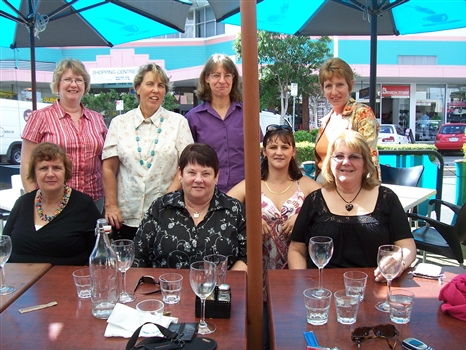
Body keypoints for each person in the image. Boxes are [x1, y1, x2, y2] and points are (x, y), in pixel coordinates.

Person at [228, 124, 319, 349]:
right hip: (258, 273)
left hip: (294, 273)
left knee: (291, 337)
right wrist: (250, 218)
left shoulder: (305, 185)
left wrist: (303, 217)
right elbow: (223, 206)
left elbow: (328, 209)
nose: (279, 152)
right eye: (273, 146)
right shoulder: (251, 184)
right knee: (261, 338)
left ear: (294, 151)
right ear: (264, 151)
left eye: (285, 147)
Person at [288, 130, 416, 282]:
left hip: (376, 287)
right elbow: (297, 250)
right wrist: (304, 282)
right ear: (330, 163)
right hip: (323, 291)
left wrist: (399, 261)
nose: (346, 162)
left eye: (354, 156)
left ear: (366, 164)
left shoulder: (387, 198)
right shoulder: (314, 200)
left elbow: (407, 245)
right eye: (339, 156)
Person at [102, 63, 193, 240]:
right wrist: (111, 205)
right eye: (150, 84)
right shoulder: (119, 123)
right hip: (125, 217)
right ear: (137, 88)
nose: (156, 90)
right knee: (126, 265)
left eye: (161, 86)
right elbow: (108, 168)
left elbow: (186, 165)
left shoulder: (178, 123)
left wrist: (166, 203)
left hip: (165, 217)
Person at [133, 143, 247, 270]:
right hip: (167, 288)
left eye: (206, 174)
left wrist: (224, 285)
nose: (198, 179)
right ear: (180, 174)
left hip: (220, 287)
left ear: (216, 176)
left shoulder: (235, 211)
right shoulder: (161, 207)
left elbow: (248, 256)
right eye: (192, 172)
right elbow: (138, 256)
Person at [21, 59, 107, 212]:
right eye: (67, 79)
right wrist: (31, 199)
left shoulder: (97, 119)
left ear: (85, 86)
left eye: (79, 80)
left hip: (93, 200)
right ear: (57, 84)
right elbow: (27, 163)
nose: (73, 85)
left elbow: (105, 160)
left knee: (92, 237)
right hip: (53, 201)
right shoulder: (40, 117)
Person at [4, 142, 101, 265]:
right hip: (21, 280)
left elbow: (100, 252)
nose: (50, 174)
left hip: (64, 281)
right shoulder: (22, 203)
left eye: (56, 168)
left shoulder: (83, 205)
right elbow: (5, 245)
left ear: (65, 172)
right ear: (34, 173)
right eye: (43, 168)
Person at [186, 53, 260, 193]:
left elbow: (260, 151)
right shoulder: (193, 118)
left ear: (233, 79)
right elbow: (189, 162)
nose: (222, 80)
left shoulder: (248, 114)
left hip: (246, 192)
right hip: (207, 194)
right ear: (206, 78)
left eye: (227, 75)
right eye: (216, 75)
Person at [314, 57, 380, 181]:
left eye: (339, 84)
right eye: (328, 86)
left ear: (350, 85)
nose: (334, 92)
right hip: (323, 190)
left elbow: (368, 159)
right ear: (323, 89)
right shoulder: (326, 120)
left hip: (352, 191)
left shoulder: (362, 113)